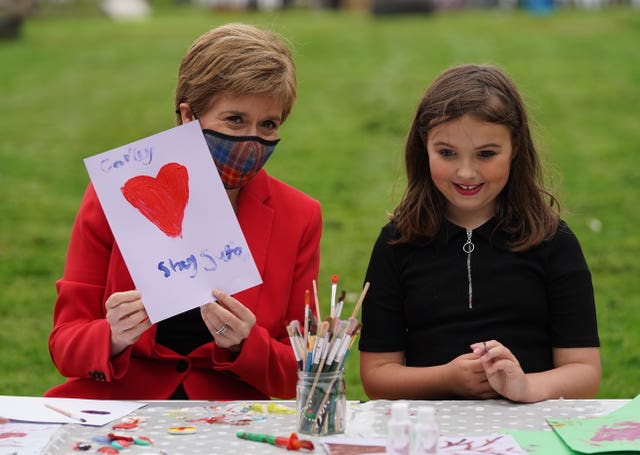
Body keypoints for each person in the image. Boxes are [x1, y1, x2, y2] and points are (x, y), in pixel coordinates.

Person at [45, 23, 322, 400]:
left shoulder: (299, 216)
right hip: (119, 404)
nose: (250, 139)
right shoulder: (114, 193)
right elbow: (65, 345)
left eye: (268, 124)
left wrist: (245, 344)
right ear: (188, 116)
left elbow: (302, 373)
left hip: (227, 416)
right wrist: (110, 335)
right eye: (235, 119)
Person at [358, 64, 600, 403]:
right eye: (446, 153)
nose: (466, 172)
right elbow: (377, 375)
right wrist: (446, 378)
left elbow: (584, 371)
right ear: (422, 148)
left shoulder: (552, 241)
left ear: (516, 148)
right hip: (430, 433)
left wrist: (526, 386)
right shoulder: (397, 243)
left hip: (531, 431)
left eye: (486, 154)